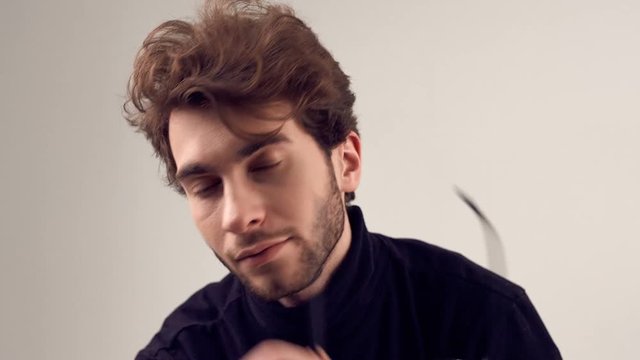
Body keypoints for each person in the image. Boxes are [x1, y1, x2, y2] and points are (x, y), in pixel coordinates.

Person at [125, 1, 562, 359]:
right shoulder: (182, 352)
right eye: (206, 187)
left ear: (346, 162)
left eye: (265, 166)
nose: (239, 216)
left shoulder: (483, 318)